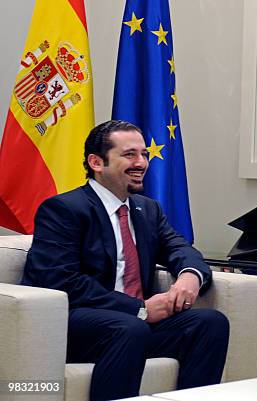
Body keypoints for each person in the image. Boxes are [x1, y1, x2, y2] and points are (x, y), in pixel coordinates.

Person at [21, 120, 230, 401]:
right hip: (78, 323)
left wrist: (190, 275)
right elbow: (59, 279)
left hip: (134, 325)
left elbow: (181, 249)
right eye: (129, 154)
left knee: (210, 323)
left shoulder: (147, 209)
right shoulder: (64, 209)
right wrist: (139, 309)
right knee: (129, 328)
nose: (142, 162)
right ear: (96, 162)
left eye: (144, 154)